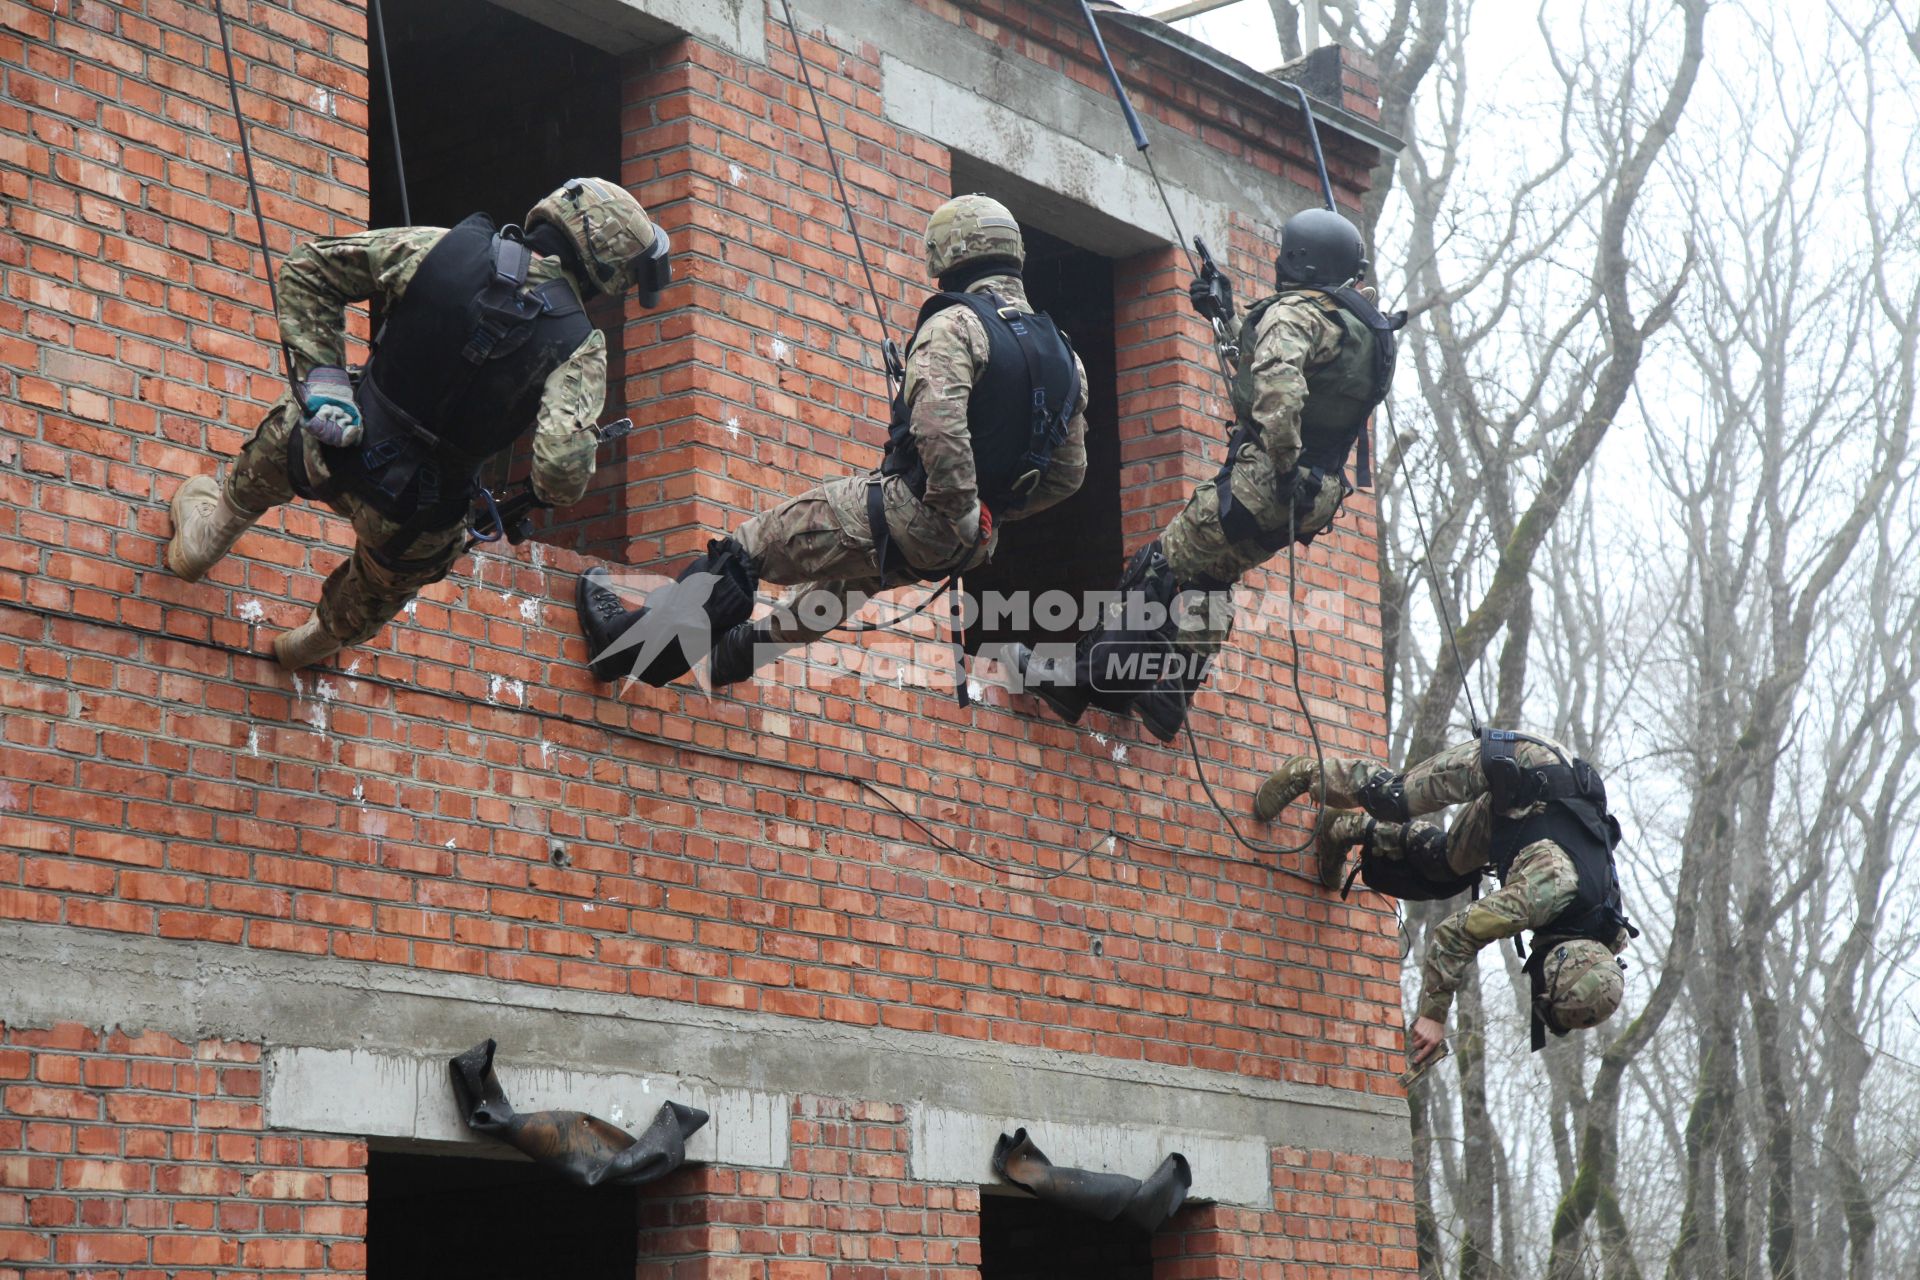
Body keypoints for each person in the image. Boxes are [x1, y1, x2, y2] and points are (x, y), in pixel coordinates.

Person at [576, 194, 1088, 688]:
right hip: (965, 548)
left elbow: (938, 427)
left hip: (917, 511)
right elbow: (1067, 475)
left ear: (951, 255)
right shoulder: (1067, 357)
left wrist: (960, 507)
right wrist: (984, 514)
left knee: (747, 552)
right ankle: (739, 653)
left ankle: (622, 647)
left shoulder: (959, 325)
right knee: (849, 579)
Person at [165, 177, 668, 669]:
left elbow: (309, 269)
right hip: (415, 518)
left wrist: (326, 386)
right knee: (379, 589)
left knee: (275, 445)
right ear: (610, 267)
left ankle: (204, 540)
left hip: (325, 447)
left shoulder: (443, 247)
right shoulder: (582, 345)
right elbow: (559, 474)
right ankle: (310, 646)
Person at [1009, 206, 1403, 741]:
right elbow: (1302, 377)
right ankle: (1169, 694)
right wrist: (1227, 314)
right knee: (1210, 576)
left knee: (1160, 566)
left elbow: (1278, 387)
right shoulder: (1364, 329)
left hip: (1270, 479)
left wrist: (1280, 460)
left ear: (1299, 261)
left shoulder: (1297, 314)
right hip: (1317, 494)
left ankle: (1078, 680)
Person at [1255, 730, 1636, 1062]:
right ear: (1559, 965)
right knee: (1395, 795)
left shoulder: (1603, 936)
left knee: (1444, 866)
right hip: (1517, 765)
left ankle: (1345, 828)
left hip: (1524, 811)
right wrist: (1433, 1015)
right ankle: (1306, 772)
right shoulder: (1545, 895)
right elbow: (1455, 933)